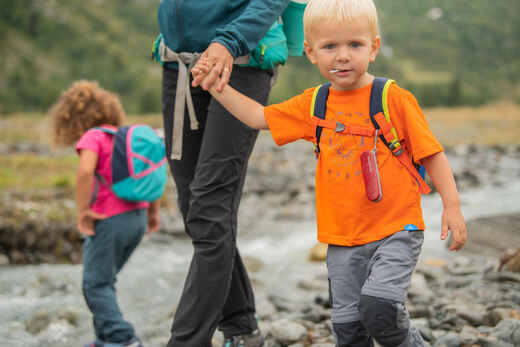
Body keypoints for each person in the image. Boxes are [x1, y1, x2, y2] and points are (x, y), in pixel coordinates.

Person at [191, 0, 467, 346]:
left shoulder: (392, 98)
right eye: (329, 47)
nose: (342, 56)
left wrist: (452, 206)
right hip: (341, 238)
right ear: (310, 52)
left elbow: (433, 155)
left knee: (380, 308)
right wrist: (219, 86)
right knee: (348, 330)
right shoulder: (314, 104)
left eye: (355, 44)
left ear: (374, 47)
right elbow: (259, 117)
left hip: (396, 227)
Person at [156, 1, 294, 347]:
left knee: (209, 207)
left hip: (241, 62)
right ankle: (242, 327)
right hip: (179, 63)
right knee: (195, 210)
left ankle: (186, 341)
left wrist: (229, 41)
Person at [50, 80, 161, 347]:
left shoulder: (93, 136)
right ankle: (103, 339)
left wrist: (83, 211)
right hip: (136, 218)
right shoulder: (123, 139)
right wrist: (153, 214)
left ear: (73, 119)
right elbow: (150, 175)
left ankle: (122, 338)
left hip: (109, 219)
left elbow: (86, 171)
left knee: (95, 284)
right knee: (104, 281)